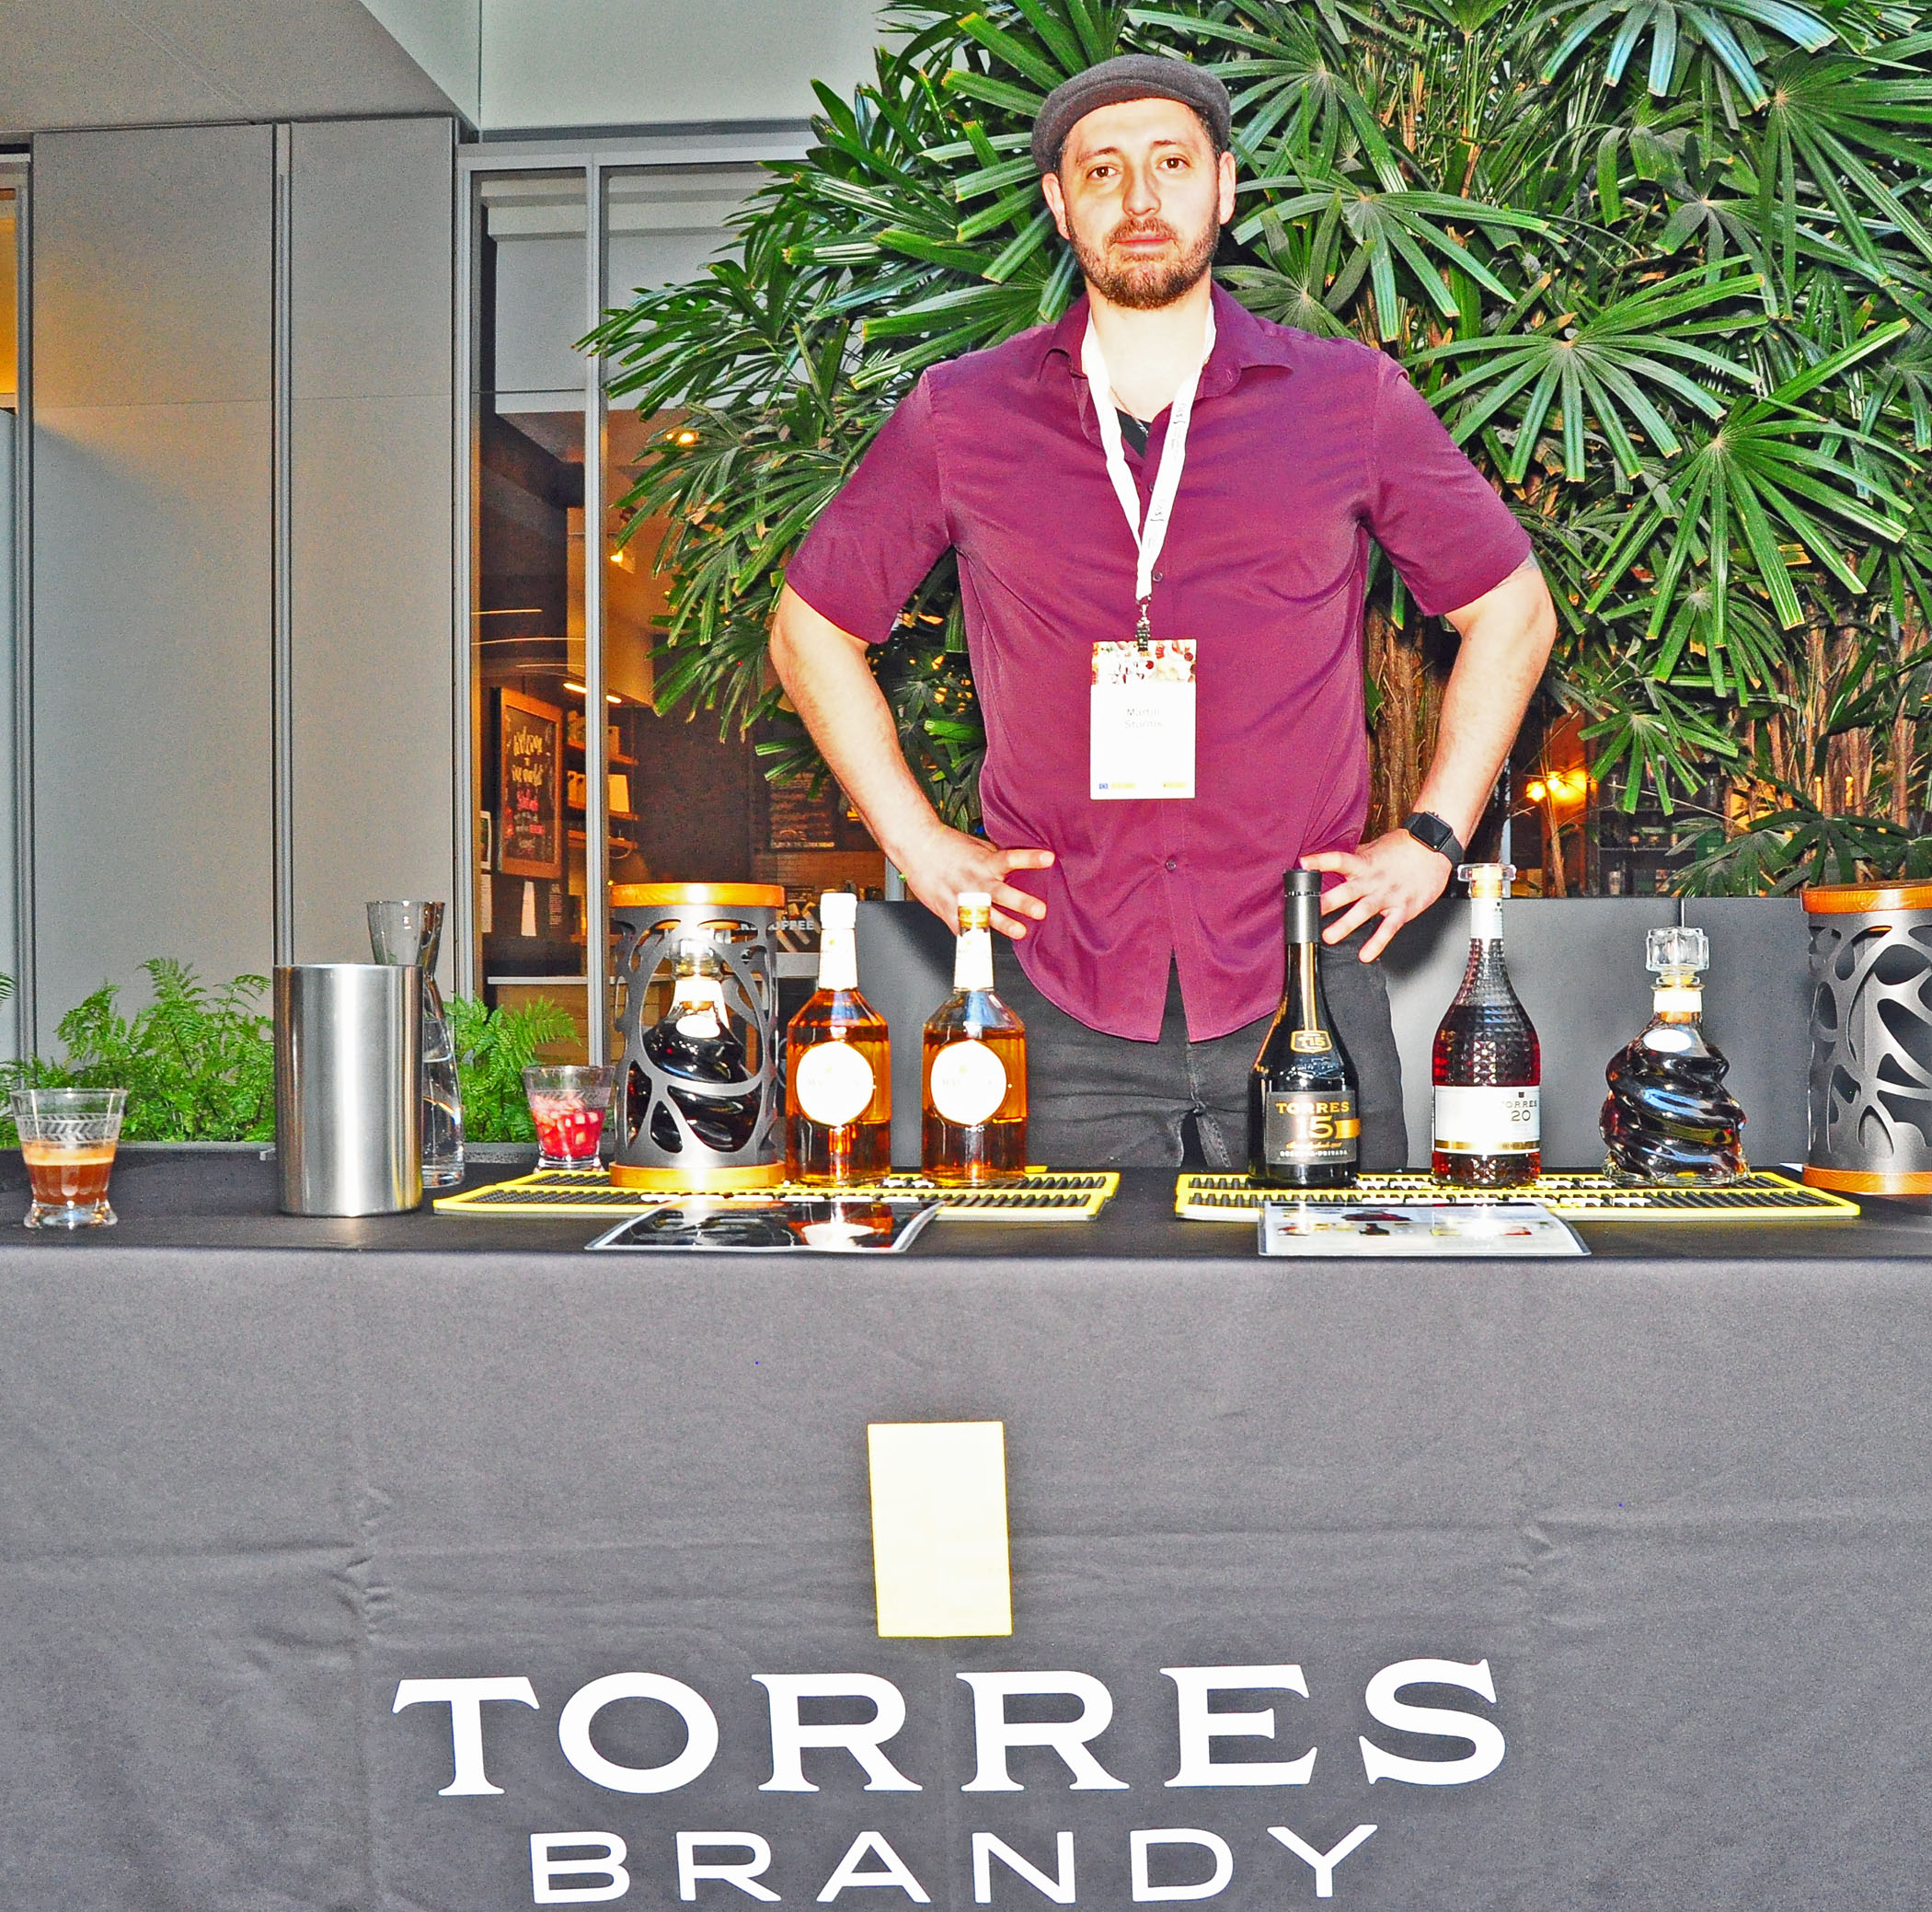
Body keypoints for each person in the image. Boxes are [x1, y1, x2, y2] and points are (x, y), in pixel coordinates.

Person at [769, 53, 1557, 1169]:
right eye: (1103, 170)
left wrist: (1435, 834)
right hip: (1051, 986)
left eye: (1172, 164)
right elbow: (810, 630)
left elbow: (1512, 609)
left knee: (1344, 1285)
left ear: (1224, 186)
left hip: (1305, 977)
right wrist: (916, 841)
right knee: (1059, 1288)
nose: (1139, 198)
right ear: (1060, 204)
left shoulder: (1348, 400)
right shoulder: (963, 415)